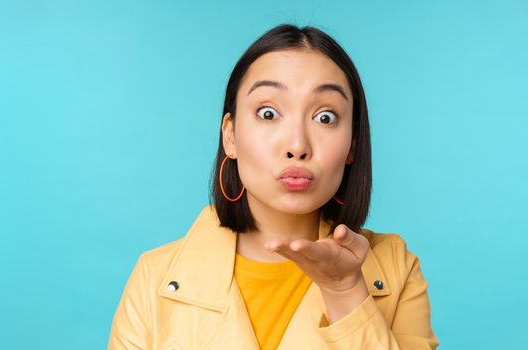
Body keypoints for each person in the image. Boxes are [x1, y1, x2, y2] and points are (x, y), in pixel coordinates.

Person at [107, 24, 439, 350]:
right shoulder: (154, 278)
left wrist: (346, 292)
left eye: (325, 117)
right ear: (230, 135)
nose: (297, 144)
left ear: (352, 144)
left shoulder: (397, 267)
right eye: (268, 113)